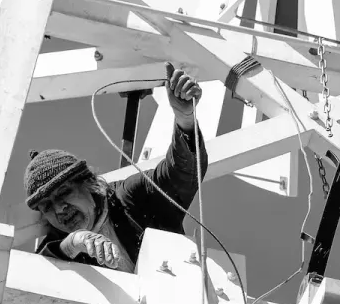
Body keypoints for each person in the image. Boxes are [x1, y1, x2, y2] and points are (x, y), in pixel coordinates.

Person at [25, 66, 207, 272]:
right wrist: (71, 244)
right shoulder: (56, 253)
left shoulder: (133, 196)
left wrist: (185, 119)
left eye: (64, 193)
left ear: (88, 183)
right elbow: (34, 280)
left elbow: (182, 172)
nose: (59, 209)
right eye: (47, 206)